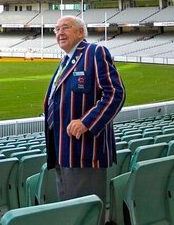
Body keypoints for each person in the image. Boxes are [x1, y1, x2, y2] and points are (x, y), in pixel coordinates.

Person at [44, 16, 125, 203]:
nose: (60, 33)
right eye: (56, 29)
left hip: (84, 152)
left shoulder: (94, 52)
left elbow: (115, 93)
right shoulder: (65, 61)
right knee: (68, 211)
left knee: (84, 213)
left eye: (65, 28)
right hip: (62, 151)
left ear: (80, 32)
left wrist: (86, 122)